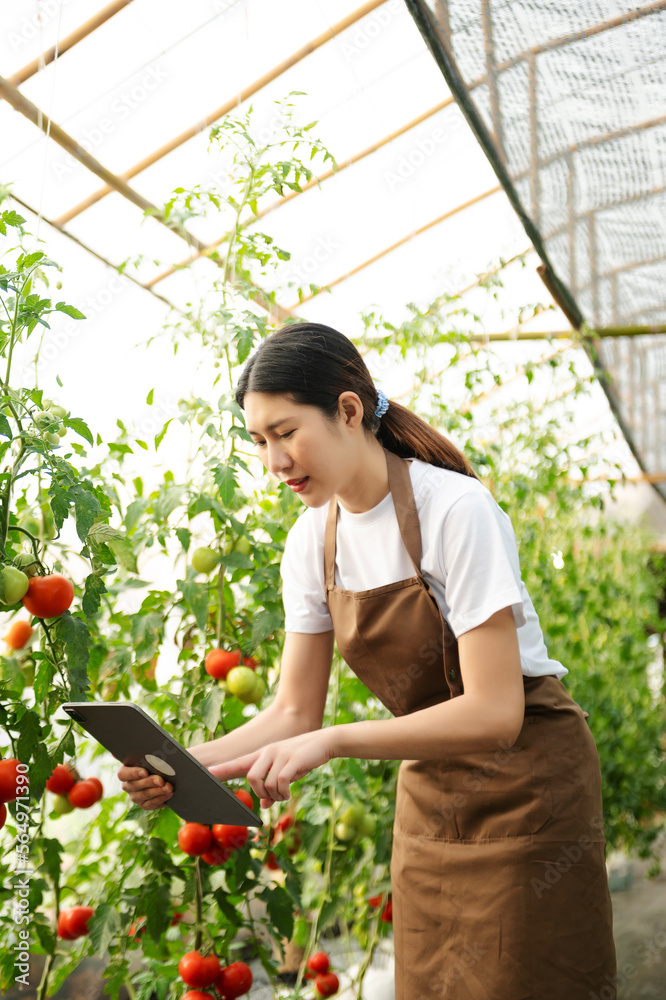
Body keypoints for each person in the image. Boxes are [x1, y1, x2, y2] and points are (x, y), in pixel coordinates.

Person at [118, 322, 617, 999]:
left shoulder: (454, 509)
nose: (275, 461)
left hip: (530, 787)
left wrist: (333, 742)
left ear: (349, 410)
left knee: (526, 978)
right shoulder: (311, 543)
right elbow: (294, 711)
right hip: (434, 800)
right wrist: (184, 763)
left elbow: (497, 713)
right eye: (260, 441)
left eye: (287, 432)